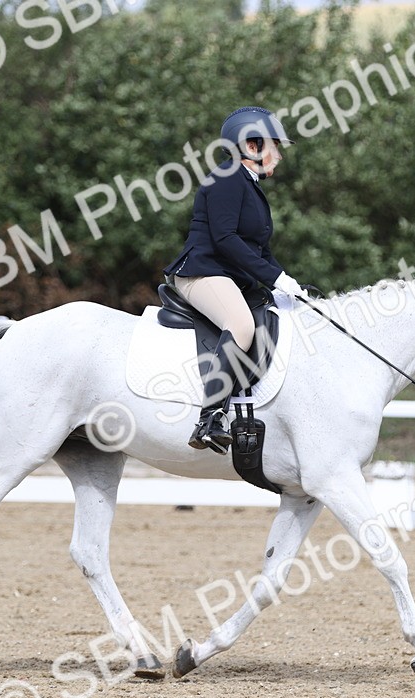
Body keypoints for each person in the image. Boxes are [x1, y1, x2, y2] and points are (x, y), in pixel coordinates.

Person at [163, 106, 305, 453]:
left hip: (228, 276)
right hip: (201, 272)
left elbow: (259, 249)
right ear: (252, 146)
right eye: (274, 146)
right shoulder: (226, 178)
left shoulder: (249, 186)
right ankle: (209, 418)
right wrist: (273, 277)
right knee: (241, 325)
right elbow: (225, 239)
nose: (279, 155)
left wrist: (286, 283)